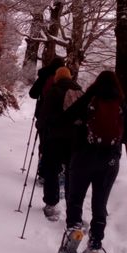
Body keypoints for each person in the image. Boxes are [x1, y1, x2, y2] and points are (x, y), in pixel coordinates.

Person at [58, 70, 127, 253]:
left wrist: (79, 128)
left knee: (75, 198)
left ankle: (75, 232)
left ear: (96, 83)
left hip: (83, 157)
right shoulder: (120, 104)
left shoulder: (89, 99)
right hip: (109, 162)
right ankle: (94, 246)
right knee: (99, 203)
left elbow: (66, 118)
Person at [36, 66, 82, 221]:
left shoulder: (54, 91)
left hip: (55, 138)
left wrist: (40, 126)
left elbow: (44, 114)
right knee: (72, 173)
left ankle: (51, 203)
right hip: (75, 140)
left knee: (51, 170)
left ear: (57, 77)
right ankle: (72, 206)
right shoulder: (79, 91)